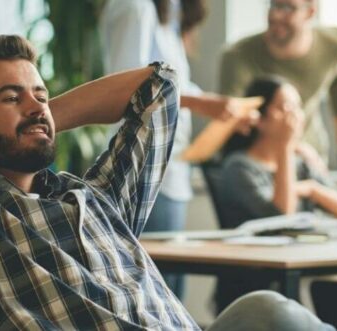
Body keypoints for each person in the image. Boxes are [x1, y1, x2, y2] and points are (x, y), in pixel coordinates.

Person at [0, 34, 332, 330]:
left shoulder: (100, 197)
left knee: (268, 311)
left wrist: (38, 116)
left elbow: (160, 87)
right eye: (9, 97)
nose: (34, 104)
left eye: (39, 93)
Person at [99, 0, 261, 297]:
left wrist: (220, 109)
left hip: (172, 170)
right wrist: (204, 104)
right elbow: (124, 88)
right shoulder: (134, 8)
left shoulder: (169, 11)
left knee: (171, 289)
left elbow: (175, 83)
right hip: (144, 168)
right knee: (152, 291)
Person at [212, 76, 337, 311]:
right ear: (260, 119)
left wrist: (312, 189)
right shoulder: (239, 167)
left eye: (297, 107)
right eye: (284, 107)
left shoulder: (302, 165)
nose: (294, 116)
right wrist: (285, 146)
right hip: (263, 283)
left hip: (309, 269)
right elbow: (281, 214)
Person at [218, 0, 337, 165]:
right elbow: (233, 119)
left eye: (287, 8)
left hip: (312, 155)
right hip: (259, 161)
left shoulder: (333, 44)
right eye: (273, 5)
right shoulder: (238, 56)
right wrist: (293, 147)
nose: (276, 15)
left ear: (310, 12)